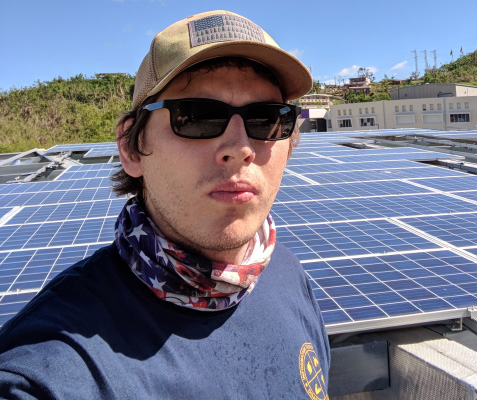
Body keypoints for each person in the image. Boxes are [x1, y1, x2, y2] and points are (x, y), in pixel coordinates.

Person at [0, 10, 330, 400]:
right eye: (197, 117)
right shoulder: (56, 364)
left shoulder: (287, 274)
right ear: (132, 148)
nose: (240, 148)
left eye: (267, 119)